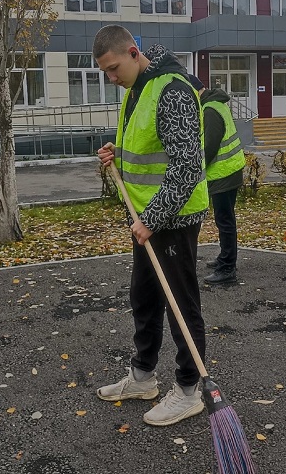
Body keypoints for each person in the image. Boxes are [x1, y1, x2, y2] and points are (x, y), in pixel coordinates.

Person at [93, 25, 209, 427]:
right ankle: (143, 377)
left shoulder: (171, 90)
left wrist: (153, 219)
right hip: (146, 219)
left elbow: (187, 166)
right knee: (143, 298)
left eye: (113, 69)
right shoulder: (138, 89)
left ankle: (190, 390)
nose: (111, 78)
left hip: (172, 220)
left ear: (132, 51)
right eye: (104, 73)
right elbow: (147, 148)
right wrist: (115, 153)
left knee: (180, 305)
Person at [187, 77, 245, 284]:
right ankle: (224, 258)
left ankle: (227, 268)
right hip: (228, 171)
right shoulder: (215, 105)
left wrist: (192, 170)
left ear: (195, 91)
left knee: (225, 221)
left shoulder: (210, 110)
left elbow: (209, 147)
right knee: (226, 220)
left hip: (223, 173)